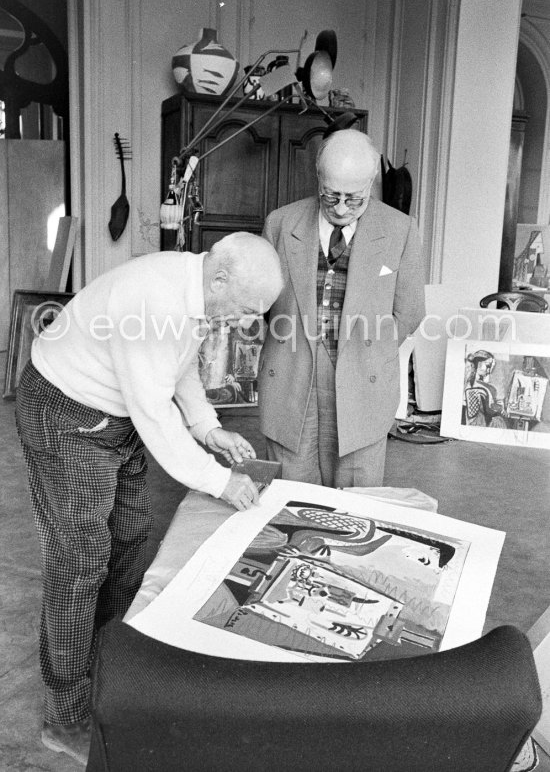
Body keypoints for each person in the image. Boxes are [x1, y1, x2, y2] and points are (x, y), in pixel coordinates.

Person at [15, 231, 283, 765]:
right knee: (81, 563)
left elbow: (178, 365)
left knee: (133, 540)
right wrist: (219, 480)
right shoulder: (154, 297)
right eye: (248, 309)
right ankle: (64, 717)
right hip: (66, 415)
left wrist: (208, 429)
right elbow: (153, 413)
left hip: (112, 412)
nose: (250, 323)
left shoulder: (197, 289)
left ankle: (114, 677)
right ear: (221, 277)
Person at [258, 129, 425, 488]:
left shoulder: (401, 230)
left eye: (355, 199)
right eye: (331, 195)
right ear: (318, 176)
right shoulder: (280, 223)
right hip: (291, 374)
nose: (340, 208)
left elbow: (409, 310)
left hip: (364, 379)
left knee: (356, 502)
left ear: (372, 183)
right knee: (291, 494)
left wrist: (368, 351)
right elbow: (263, 306)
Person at [462, 349, 507, 428]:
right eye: (488, 366)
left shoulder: (473, 383)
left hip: (473, 421)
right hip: (478, 423)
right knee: (500, 421)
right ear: (479, 364)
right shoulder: (482, 387)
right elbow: (490, 410)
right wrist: (501, 408)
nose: (489, 371)